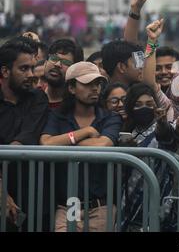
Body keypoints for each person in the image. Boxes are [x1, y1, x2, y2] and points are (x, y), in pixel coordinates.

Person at [40, 62, 122, 232]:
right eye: (87, 84)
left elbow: (103, 145)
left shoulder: (110, 118)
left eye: (97, 84)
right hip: (68, 206)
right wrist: (86, 131)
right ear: (71, 88)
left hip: (101, 207)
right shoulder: (58, 117)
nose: (95, 89)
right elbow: (46, 143)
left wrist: (64, 142)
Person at [120, 83, 179, 232]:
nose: (144, 108)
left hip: (160, 204)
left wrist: (162, 123)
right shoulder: (125, 131)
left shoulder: (161, 127)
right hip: (128, 205)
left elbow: (167, 138)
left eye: (149, 104)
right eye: (138, 105)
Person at [0, 37, 49, 230]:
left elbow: (27, 136)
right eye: (23, 69)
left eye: (32, 67)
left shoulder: (38, 98)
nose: (31, 74)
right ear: (5, 71)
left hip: (32, 200)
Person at [43, 39, 84, 109]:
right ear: (45, 62)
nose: (57, 64)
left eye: (66, 62)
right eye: (54, 58)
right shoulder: (31, 98)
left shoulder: (78, 107)